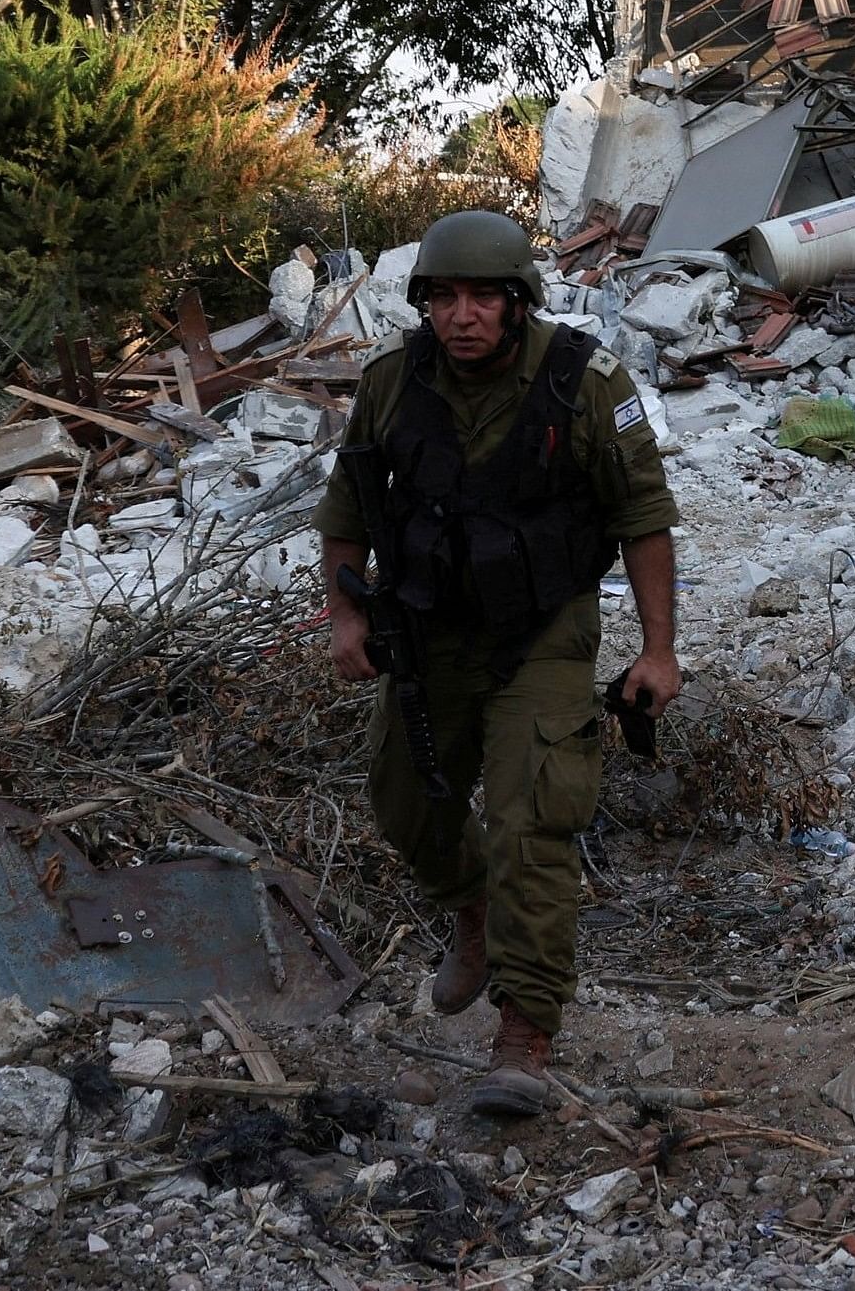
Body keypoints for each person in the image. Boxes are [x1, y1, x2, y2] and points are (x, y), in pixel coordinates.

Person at [316, 210, 681, 1114]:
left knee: (532, 821)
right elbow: (347, 508)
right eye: (445, 296)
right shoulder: (393, 382)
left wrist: (659, 648)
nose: (464, 314)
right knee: (404, 803)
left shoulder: (585, 382)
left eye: (485, 295)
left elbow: (644, 516)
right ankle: (470, 914)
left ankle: (524, 1033)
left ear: (519, 303)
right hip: (427, 631)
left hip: (542, 636)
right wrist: (343, 615)